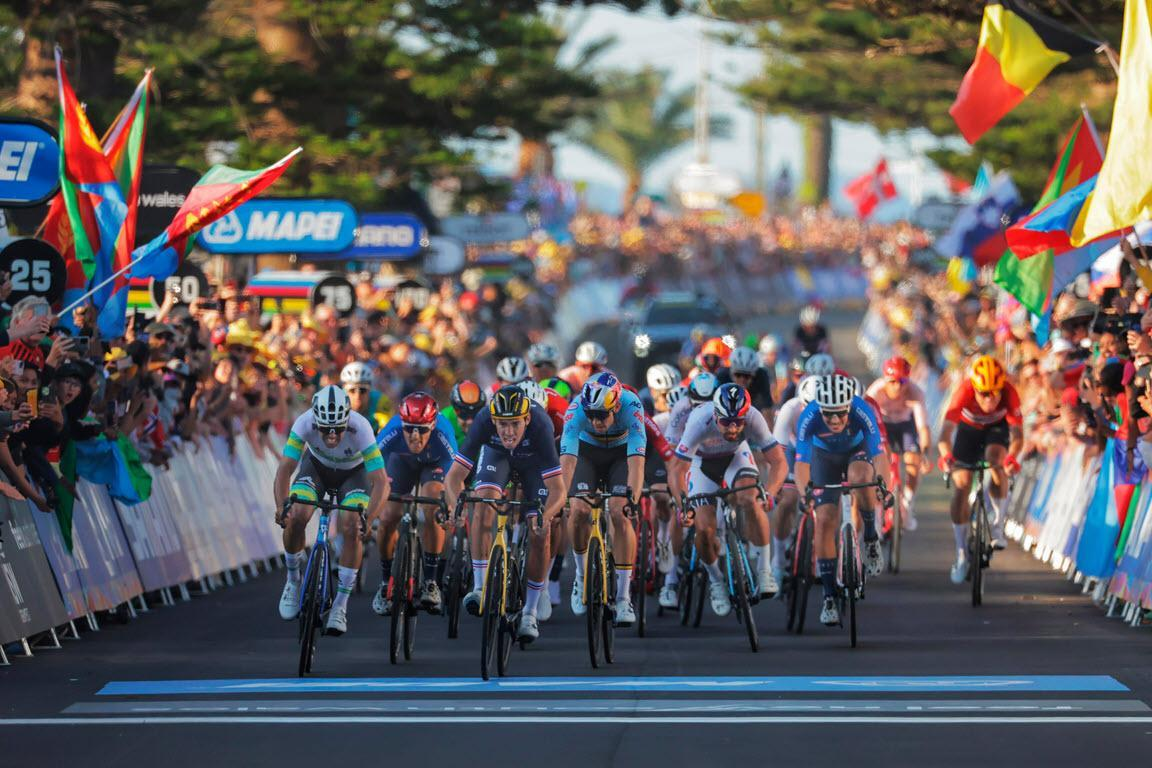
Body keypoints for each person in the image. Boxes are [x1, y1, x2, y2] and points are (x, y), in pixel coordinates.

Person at [444, 386, 567, 643]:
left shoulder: (542, 426)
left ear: (526, 419)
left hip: (534, 464)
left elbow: (558, 491)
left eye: (514, 424)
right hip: (497, 456)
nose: (508, 432)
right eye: (502, 425)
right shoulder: (483, 421)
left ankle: (530, 613)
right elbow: (453, 477)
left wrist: (547, 515)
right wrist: (458, 507)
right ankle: (479, 587)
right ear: (493, 420)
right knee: (482, 501)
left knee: (539, 530)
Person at [273, 385, 388, 636]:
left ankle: (340, 606)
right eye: (326, 429)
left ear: (347, 418)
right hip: (316, 469)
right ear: (316, 420)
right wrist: (282, 506)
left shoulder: (361, 427)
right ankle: (293, 580)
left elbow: (380, 481)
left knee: (352, 525)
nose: (333, 435)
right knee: (297, 515)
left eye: (338, 428)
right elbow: (285, 468)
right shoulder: (304, 422)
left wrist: (370, 518)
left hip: (353, 475)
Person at [667, 383, 788, 614]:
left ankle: (764, 570)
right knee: (704, 529)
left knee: (750, 498)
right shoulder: (699, 420)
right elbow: (676, 469)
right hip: (702, 464)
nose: (733, 429)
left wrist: (770, 493)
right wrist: (683, 504)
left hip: (736, 457)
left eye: (738, 422)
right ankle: (716, 581)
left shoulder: (753, 417)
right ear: (715, 415)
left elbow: (779, 462)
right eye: (726, 422)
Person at [794, 374, 890, 627]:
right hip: (823, 458)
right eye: (828, 414)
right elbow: (802, 464)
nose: (835, 420)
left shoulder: (863, 410)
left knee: (862, 477)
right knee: (824, 518)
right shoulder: (809, 417)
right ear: (820, 410)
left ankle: (870, 536)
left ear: (849, 407)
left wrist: (883, 485)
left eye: (840, 414)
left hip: (856, 452)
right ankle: (828, 595)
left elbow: (879, 456)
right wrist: (806, 494)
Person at [561, 372, 646, 626]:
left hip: (621, 455)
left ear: (616, 406)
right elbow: (566, 462)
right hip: (587, 454)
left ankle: (622, 597)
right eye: (592, 415)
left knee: (620, 511)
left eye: (602, 415)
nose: (596, 421)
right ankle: (581, 574)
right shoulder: (576, 409)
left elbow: (637, 464)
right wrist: (562, 499)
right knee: (577, 510)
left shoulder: (632, 405)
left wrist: (633, 499)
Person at [937, 355, 1023, 583]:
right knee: (961, 484)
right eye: (984, 393)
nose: (990, 399)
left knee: (997, 460)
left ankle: (997, 526)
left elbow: (1017, 436)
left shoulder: (1009, 392)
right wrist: (946, 456)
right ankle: (962, 552)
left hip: (997, 430)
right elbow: (945, 434)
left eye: (995, 392)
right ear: (974, 388)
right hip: (969, 432)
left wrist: (1012, 458)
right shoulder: (963, 391)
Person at [370, 392, 458, 616]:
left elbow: (455, 478)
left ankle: (430, 581)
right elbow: (370, 468)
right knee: (389, 516)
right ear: (402, 423)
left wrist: (450, 506)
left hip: (435, 464)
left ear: (433, 425)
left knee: (433, 508)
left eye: (422, 429)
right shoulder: (392, 430)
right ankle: (384, 581)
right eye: (409, 428)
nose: (415, 436)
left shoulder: (444, 434)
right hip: (401, 463)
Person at [865, 356, 932, 531]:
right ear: (885, 380)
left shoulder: (916, 392)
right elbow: (866, 423)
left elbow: (923, 428)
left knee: (913, 460)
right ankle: (878, 513)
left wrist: (924, 453)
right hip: (882, 425)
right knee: (880, 462)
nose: (898, 386)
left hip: (905, 425)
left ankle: (908, 501)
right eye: (893, 381)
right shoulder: (875, 391)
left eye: (902, 381)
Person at [769, 375, 819, 590]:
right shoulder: (790, 408)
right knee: (787, 500)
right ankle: (778, 559)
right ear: (801, 401)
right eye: (807, 405)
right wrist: (777, 484)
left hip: (818, 453)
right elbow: (777, 450)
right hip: (791, 451)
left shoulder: (832, 410)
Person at [718, 346, 774, 418]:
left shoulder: (761, 376)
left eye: (747, 376)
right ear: (731, 373)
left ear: (754, 374)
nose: (742, 379)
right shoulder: (722, 376)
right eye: (738, 375)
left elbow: (767, 410)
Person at [340, 361, 391, 432]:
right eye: (352, 390)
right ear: (344, 391)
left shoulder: (380, 401)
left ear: (370, 390)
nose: (357, 396)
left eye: (362, 390)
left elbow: (388, 431)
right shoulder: (336, 404)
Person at [441, 379, 487, 445]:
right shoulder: (443, 421)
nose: (470, 421)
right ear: (455, 410)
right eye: (464, 414)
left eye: (475, 414)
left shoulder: (489, 419)